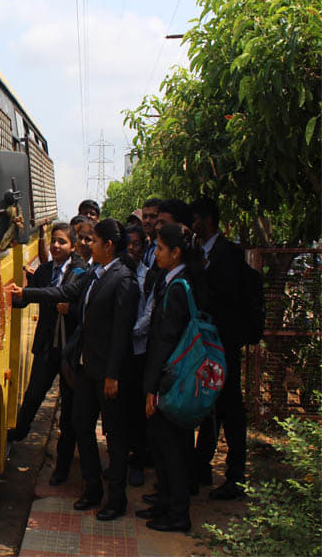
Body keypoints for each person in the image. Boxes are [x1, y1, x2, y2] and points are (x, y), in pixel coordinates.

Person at [138, 223, 207, 532]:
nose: (157, 254)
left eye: (161, 249)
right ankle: (166, 503)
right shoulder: (173, 282)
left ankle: (178, 514)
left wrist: (152, 388)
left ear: (176, 253)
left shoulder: (178, 288)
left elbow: (165, 342)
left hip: (170, 382)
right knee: (163, 446)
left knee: (173, 450)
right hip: (168, 379)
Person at [69, 219, 139, 521]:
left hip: (107, 373)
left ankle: (117, 499)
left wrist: (113, 374)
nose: (89, 245)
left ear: (108, 245)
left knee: (115, 436)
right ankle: (92, 488)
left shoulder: (124, 279)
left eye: (94, 241)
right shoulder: (96, 274)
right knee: (80, 426)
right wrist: (26, 294)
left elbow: (122, 333)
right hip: (87, 369)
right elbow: (69, 298)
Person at [7, 223, 89, 463]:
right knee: (33, 395)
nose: (56, 245)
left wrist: (28, 293)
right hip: (46, 346)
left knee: (69, 409)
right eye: (54, 240)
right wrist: (14, 294)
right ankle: (18, 434)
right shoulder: (43, 270)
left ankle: (63, 463)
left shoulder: (80, 271)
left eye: (62, 242)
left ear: (73, 247)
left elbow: (62, 294)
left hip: (70, 350)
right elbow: (26, 298)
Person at [190, 197, 248, 500]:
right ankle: (202, 467)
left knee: (230, 408)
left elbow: (225, 298)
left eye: (196, 219)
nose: (193, 225)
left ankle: (236, 476)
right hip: (209, 344)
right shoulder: (203, 253)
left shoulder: (227, 254)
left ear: (208, 220)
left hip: (224, 343)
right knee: (213, 404)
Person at [126, 223, 151, 487]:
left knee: (137, 413)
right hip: (119, 353)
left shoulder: (148, 277)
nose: (133, 248)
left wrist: (127, 332)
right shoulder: (116, 273)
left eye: (137, 244)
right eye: (129, 243)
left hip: (138, 351)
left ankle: (138, 463)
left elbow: (149, 315)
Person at [141, 198, 162, 267]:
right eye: (144, 217)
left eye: (152, 216)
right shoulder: (143, 245)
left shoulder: (167, 248)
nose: (147, 221)